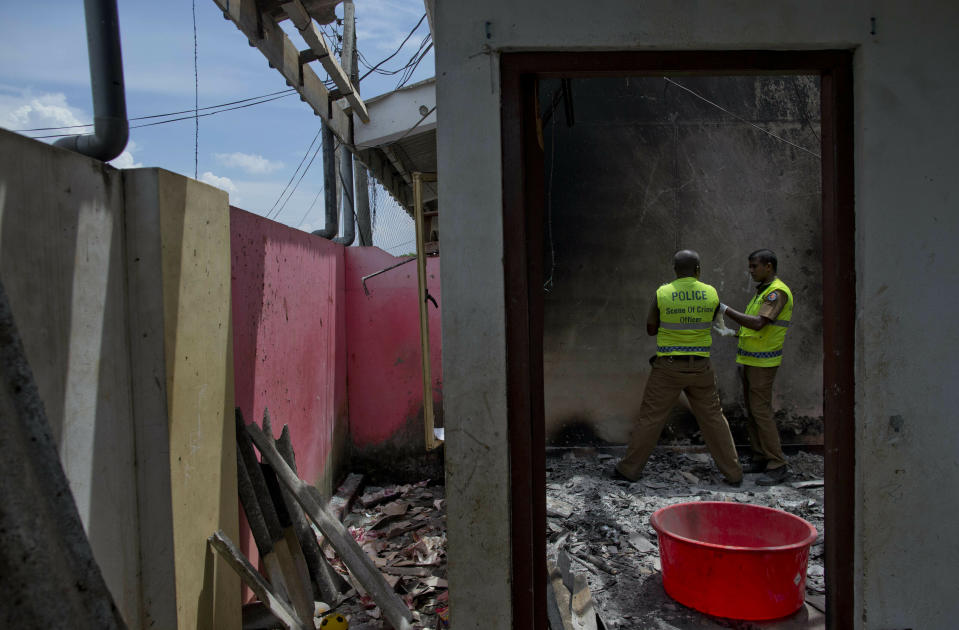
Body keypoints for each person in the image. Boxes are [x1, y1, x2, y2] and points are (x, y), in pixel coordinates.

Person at [614, 250, 743, 486]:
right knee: (714, 418)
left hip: (668, 368)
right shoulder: (710, 292)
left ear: (675, 270)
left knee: (651, 418)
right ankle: (733, 473)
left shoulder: (663, 293)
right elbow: (714, 318)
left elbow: (651, 328)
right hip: (701, 367)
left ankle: (629, 470)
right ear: (698, 270)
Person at [716, 249, 793, 486]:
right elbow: (755, 328)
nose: (750, 271)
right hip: (751, 360)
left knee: (761, 413)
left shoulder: (775, 293)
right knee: (753, 412)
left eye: (754, 266)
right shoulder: (763, 292)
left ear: (768, 266)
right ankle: (761, 457)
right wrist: (735, 333)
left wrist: (725, 310)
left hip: (763, 362)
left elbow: (760, 324)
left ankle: (777, 464)